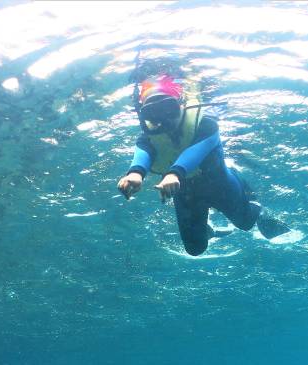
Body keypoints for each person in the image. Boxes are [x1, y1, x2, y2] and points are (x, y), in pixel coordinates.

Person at [117, 74, 290, 255]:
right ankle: (209, 227)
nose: (163, 119)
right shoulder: (148, 137)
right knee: (195, 249)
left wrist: (174, 174)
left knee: (246, 223)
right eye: (153, 113)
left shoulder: (206, 126)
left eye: (169, 109)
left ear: (182, 105)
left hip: (220, 185)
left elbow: (195, 152)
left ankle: (258, 209)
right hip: (186, 194)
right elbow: (142, 154)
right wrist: (134, 174)